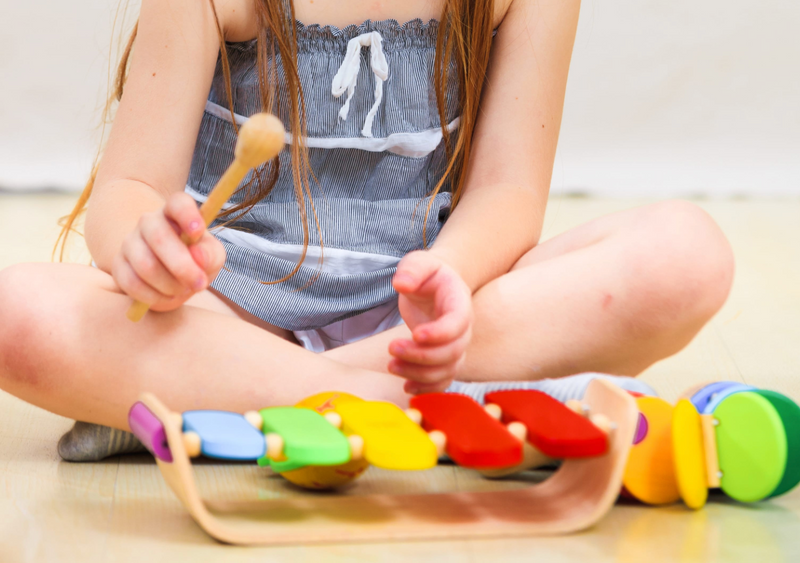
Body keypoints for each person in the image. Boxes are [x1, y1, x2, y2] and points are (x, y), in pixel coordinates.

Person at [0, 0, 733, 461]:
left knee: (686, 256)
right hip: (232, 314)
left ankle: (228, 399)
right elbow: (129, 188)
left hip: (424, 316)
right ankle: (426, 403)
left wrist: (450, 275)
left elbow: (508, 190)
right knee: (16, 312)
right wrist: (144, 248)